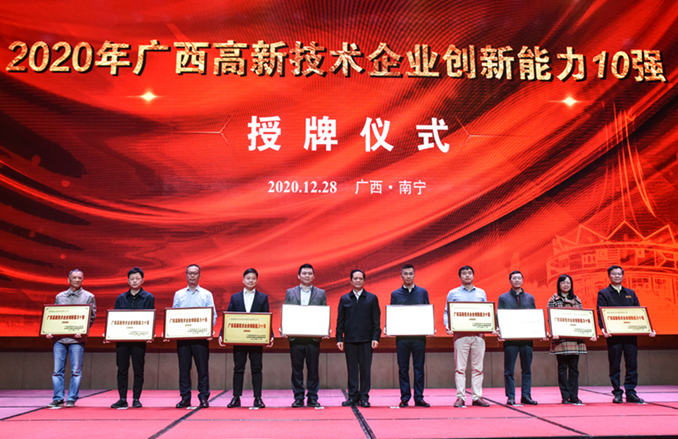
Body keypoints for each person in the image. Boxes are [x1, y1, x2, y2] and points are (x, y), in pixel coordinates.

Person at [597, 265, 655, 404]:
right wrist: (603, 329)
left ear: (623, 276)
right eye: (614, 274)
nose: (617, 276)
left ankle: (631, 392)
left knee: (632, 364)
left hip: (630, 335)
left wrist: (648, 329)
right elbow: (600, 312)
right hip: (614, 336)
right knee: (615, 365)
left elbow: (639, 313)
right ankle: (617, 392)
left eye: (619, 274)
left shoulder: (631, 293)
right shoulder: (603, 293)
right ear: (609, 276)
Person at [221, 268, 273, 409]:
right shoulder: (235, 297)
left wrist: (270, 334)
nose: (251, 280)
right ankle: (236, 398)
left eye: (253, 278)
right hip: (239, 339)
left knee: (257, 369)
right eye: (248, 278)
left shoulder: (263, 297)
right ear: (243, 280)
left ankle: (258, 398)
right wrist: (222, 334)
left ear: (257, 280)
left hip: (256, 339)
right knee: (238, 368)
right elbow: (229, 317)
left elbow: (266, 317)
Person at [47, 269, 96, 408]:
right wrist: (50, 331)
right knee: (57, 371)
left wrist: (83, 330)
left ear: (83, 280)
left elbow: (91, 317)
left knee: (76, 371)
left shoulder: (89, 297)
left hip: (77, 340)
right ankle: (58, 398)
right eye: (74, 277)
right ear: (69, 279)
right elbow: (54, 316)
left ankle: (71, 399)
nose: (77, 280)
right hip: (59, 340)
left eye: (79, 278)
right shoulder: (60, 297)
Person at [444, 265, 490, 408]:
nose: (467, 275)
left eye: (469, 273)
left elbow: (486, 312)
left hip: (478, 336)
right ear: (460, 277)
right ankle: (460, 397)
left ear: (473, 275)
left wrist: (490, 326)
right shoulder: (453, 293)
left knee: (478, 369)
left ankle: (477, 397)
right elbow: (447, 312)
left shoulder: (481, 293)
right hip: (460, 336)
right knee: (460, 368)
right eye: (464, 273)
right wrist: (448, 325)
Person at [172, 264, 217, 408]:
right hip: (183, 338)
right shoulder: (179, 294)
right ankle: (185, 397)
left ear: (199, 276)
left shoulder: (206, 294)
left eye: (195, 273)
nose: (192, 275)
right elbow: (173, 315)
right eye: (189, 273)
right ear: (186, 275)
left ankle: (203, 397)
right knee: (184, 369)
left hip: (200, 338)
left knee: (202, 369)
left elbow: (213, 315)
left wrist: (208, 330)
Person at [548, 274, 596, 405]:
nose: (566, 285)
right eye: (563, 282)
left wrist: (591, 332)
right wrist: (553, 332)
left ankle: (574, 396)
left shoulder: (576, 300)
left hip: (575, 339)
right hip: (561, 340)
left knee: (574, 368)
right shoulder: (553, 300)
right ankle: (565, 396)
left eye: (568, 282)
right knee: (562, 368)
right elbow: (550, 318)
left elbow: (582, 318)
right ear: (559, 284)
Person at [111, 267, 155, 409]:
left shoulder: (148, 297)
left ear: (142, 280)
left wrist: (150, 333)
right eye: (132, 279)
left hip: (139, 340)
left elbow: (150, 317)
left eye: (137, 278)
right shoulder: (121, 298)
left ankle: (136, 398)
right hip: (122, 340)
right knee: (122, 370)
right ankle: (122, 398)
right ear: (128, 280)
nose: (135, 281)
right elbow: (115, 318)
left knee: (138, 370)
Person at [336, 269, 381, 407]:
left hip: (366, 340)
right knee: (352, 370)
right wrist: (339, 338)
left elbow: (376, 320)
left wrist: (376, 337)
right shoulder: (344, 299)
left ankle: (364, 397)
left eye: (360, 278)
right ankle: (353, 396)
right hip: (350, 340)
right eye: (355, 278)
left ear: (364, 281)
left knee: (365, 370)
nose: (358, 280)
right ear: (350, 281)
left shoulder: (371, 298)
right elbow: (340, 321)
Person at [284, 263, 327, 407]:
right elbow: (287, 312)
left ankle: (313, 397)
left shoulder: (321, 293)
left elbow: (323, 313)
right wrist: (284, 327)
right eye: (304, 273)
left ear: (313, 276)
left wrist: (325, 329)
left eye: (310, 273)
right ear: (298, 276)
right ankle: (298, 397)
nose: (307, 276)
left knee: (313, 369)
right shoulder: (290, 292)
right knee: (296, 369)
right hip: (295, 337)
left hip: (313, 338)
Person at [390, 264, 430, 407]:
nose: (408, 276)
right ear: (401, 276)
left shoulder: (422, 292)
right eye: (405, 274)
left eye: (411, 273)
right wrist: (389, 326)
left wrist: (430, 326)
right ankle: (405, 397)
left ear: (414, 275)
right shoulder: (395, 294)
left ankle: (419, 397)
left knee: (419, 368)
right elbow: (393, 314)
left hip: (419, 337)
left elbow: (427, 312)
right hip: (402, 337)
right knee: (403, 368)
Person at [497, 270, 538, 406]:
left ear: (523, 280)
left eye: (519, 278)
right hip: (510, 339)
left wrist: (539, 330)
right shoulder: (503, 298)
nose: (517, 280)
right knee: (509, 370)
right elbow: (499, 316)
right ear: (510, 281)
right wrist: (499, 331)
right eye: (514, 278)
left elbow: (535, 317)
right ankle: (511, 396)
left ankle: (526, 395)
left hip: (527, 339)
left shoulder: (530, 298)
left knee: (527, 369)